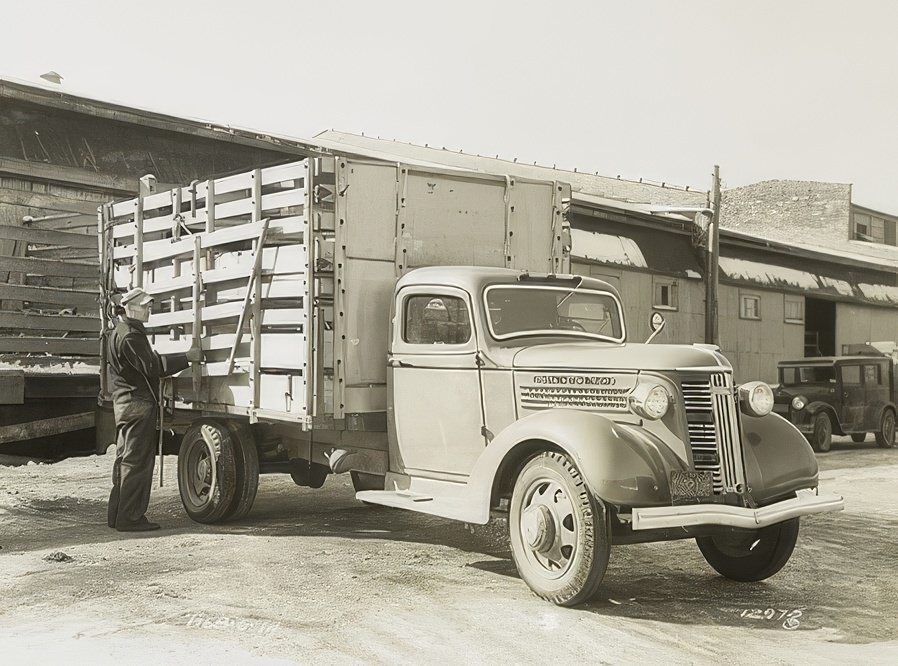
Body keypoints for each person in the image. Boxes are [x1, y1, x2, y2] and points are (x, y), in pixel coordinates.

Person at [106, 287, 203, 532]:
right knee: (137, 462)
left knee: (125, 459)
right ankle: (130, 518)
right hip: (137, 404)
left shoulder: (119, 332)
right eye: (146, 306)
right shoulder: (131, 335)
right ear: (131, 307)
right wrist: (187, 357)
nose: (150, 309)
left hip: (125, 403)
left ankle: (117, 515)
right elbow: (152, 366)